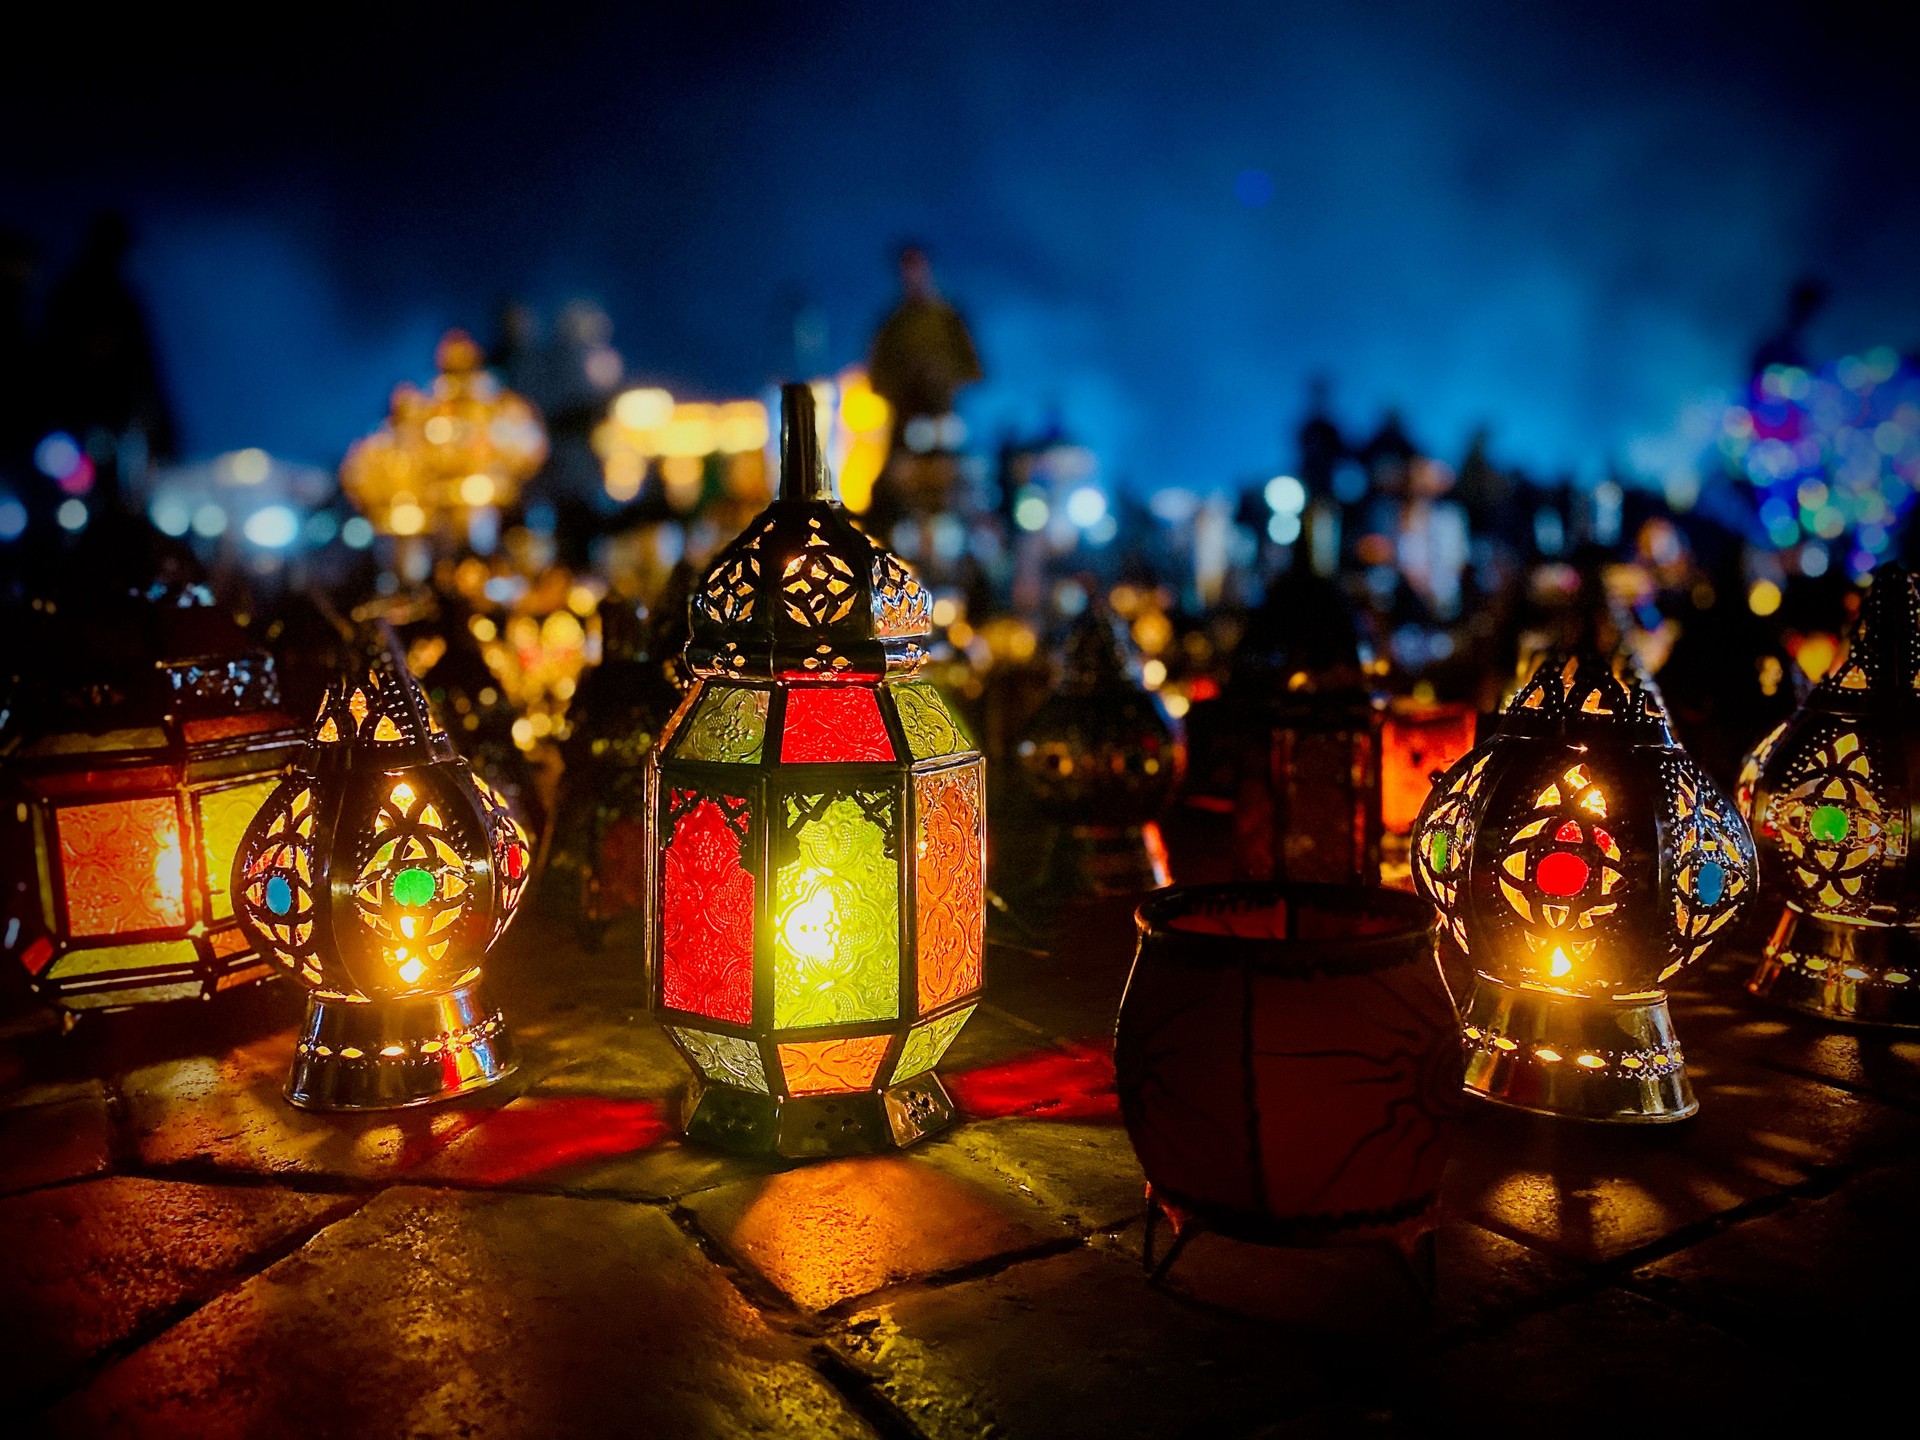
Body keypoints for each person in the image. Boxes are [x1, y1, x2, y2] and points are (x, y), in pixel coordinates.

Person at [867, 244, 982, 454]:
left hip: (945, 419)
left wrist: (941, 378)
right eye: (907, 269)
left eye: (917, 267)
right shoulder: (893, 325)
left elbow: (974, 369)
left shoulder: (949, 320)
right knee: (891, 480)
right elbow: (877, 375)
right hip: (906, 424)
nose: (913, 275)